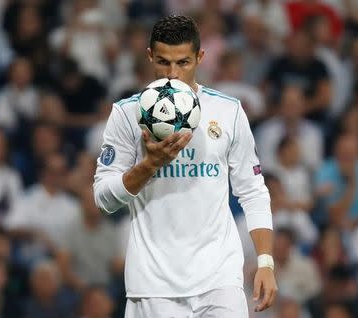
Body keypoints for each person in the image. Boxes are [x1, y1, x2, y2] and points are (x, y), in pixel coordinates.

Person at [93, 15, 277, 317]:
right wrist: (149, 165)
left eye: (183, 63)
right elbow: (103, 199)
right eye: (163, 62)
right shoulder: (126, 114)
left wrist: (266, 262)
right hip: (154, 285)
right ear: (150, 56)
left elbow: (254, 191)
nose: (173, 75)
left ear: (200, 58)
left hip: (220, 278)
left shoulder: (227, 111)